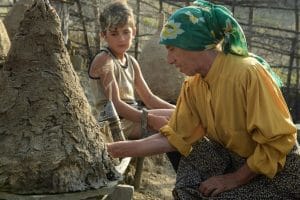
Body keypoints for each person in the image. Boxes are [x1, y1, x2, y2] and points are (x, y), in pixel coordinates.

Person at [107, 0, 300, 199]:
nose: (169, 60)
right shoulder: (194, 85)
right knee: (190, 176)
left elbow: (278, 142)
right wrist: (113, 149)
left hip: (278, 172)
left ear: (193, 43)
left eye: (172, 49)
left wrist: (233, 179)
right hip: (238, 162)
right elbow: (175, 134)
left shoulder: (247, 74)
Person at [88, 1, 175, 141]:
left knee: (181, 117)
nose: (121, 39)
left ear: (134, 31)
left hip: (134, 117)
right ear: (104, 35)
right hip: (115, 124)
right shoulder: (104, 60)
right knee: (175, 128)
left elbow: (149, 98)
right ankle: (205, 161)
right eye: (114, 33)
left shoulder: (132, 62)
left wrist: (179, 110)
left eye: (126, 32)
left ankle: (210, 161)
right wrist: (150, 119)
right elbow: (115, 104)